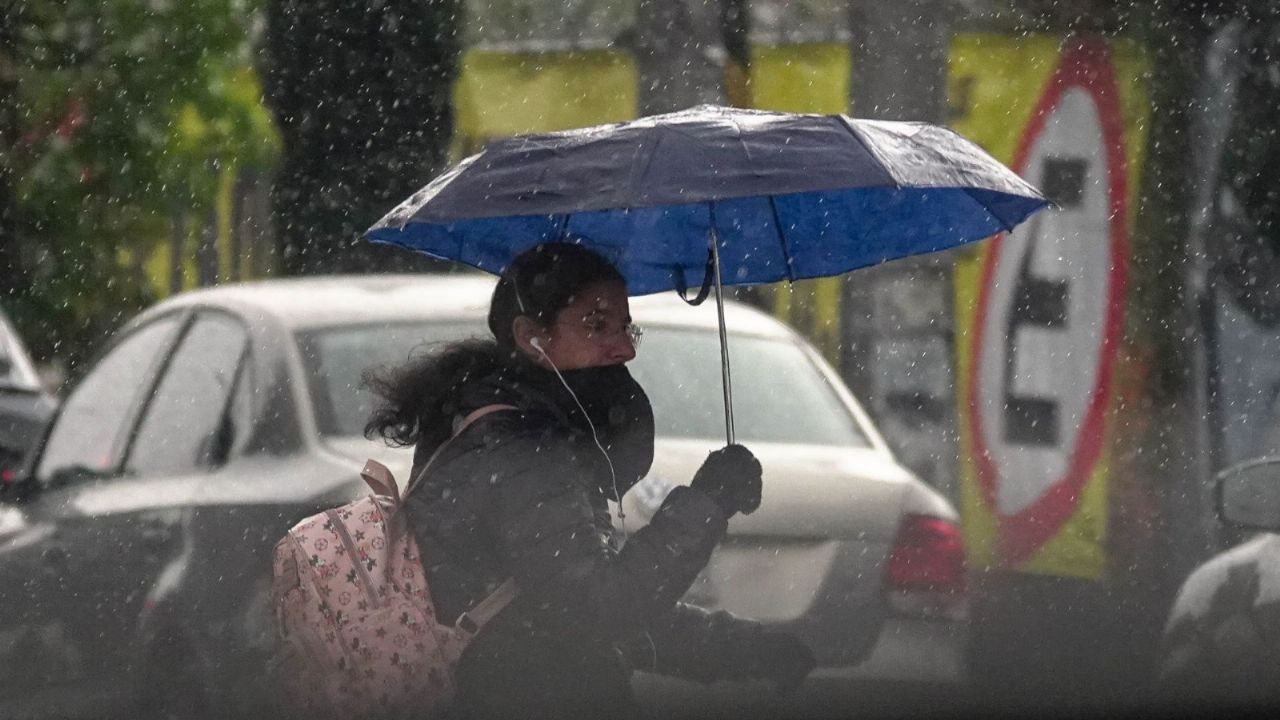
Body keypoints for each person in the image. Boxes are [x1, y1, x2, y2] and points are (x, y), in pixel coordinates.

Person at [364, 242, 815, 718]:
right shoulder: (520, 450)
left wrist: (742, 648)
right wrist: (708, 501)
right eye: (596, 325)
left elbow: (559, 612)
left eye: (626, 327)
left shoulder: (512, 428)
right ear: (531, 337)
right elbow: (599, 612)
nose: (625, 348)